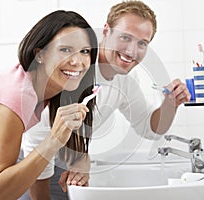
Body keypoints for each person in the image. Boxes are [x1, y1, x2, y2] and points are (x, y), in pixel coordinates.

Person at [20, 1, 191, 200]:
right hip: (17, 150)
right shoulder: (73, 70)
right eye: (125, 37)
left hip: (56, 153)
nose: (132, 51)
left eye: (142, 43)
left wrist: (170, 105)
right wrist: (78, 157)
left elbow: (149, 128)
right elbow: (37, 139)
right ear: (106, 31)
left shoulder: (126, 80)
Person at [0, 10, 98, 200]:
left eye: (85, 51)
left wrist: (81, 160)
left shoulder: (46, 91)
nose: (78, 61)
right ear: (40, 54)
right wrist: (53, 140)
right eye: (65, 49)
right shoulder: (18, 95)